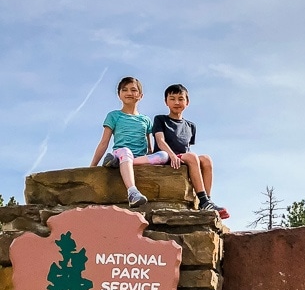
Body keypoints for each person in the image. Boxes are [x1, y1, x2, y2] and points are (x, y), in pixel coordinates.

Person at [152, 83, 230, 219]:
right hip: (166, 156)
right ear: (166, 102)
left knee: (206, 159)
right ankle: (204, 200)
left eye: (181, 99)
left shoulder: (190, 126)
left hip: (185, 158)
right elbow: (160, 141)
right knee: (192, 156)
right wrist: (172, 155)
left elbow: (187, 147)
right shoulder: (160, 119)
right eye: (172, 98)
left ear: (187, 102)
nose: (177, 102)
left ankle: (206, 200)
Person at [90, 77, 169, 208]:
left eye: (133, 90)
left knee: (164, 155)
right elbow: (104, 142)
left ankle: (117, 164)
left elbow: (149, 145)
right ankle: (132, 192)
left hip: (138, 159)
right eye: (124, 90)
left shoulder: (146, 120)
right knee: (126, 151)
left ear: (141, 95)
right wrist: (92, 166)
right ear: (119, 94)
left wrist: (152, 158)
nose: (129, 93)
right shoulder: (114, 116)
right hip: (121, 153)